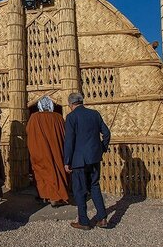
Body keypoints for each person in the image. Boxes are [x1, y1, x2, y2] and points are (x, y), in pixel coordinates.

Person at [64, 92, 111, 230]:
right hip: (94, 158)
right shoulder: (94, 114)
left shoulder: (71, 117)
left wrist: (67, 161)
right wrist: (102, 148)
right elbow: (107, 133)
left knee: (80, 190)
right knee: (95, 186)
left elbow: (69, 141)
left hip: (79, 160)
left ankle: (84, 222)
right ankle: (102, 218)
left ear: (71, 104)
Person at [26, 96, 69, 208]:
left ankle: (45, 195)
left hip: (39, 152)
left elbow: (29, 132)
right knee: (56, 171)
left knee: (42, 173)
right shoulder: (58, 117)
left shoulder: (34, 118)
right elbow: (64, 134)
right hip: (57, 151)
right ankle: (55, 196)